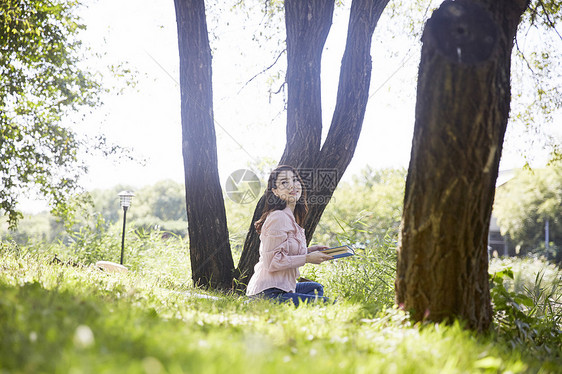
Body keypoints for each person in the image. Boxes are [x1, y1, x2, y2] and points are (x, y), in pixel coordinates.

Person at [246, 165, 333, 306]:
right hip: (268, 292)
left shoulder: (292, 217)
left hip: (284, 288)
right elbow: (272, 262)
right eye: (284, 182)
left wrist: (311, 250)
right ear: (275, 191)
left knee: (316, 288)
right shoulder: (278, 217)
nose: (292, 185)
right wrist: (307, 258)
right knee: (327, 303)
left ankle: (295, 306)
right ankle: (258, 304)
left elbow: (286, 251)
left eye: (294, 180)